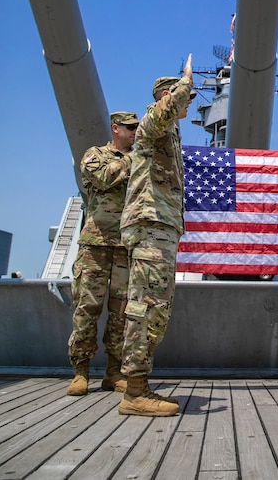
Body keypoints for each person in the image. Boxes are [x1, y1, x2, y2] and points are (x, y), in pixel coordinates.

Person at [118, 55, 194, 417]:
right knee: (147, 306)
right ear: (168, 96)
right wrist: (186, 81)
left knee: (155, 305)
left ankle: (139, 385)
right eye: (184, 98)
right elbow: (163, 112)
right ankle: (134, 391)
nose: (189, 103)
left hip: (159, 225)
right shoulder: (154, 121)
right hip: (150, 223)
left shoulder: (170, 132)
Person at [67, 111, 139, 396]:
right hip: (95, 244)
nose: (135, 133)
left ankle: (113, 373)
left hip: (126, 245)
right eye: (130, 128)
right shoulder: (94, 155)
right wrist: (136, 159)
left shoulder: (140, 157)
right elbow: (103, 178)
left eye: (137, 129)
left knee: (122, 312)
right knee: (87, 307)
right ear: (116, 128)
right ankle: (80, 371)